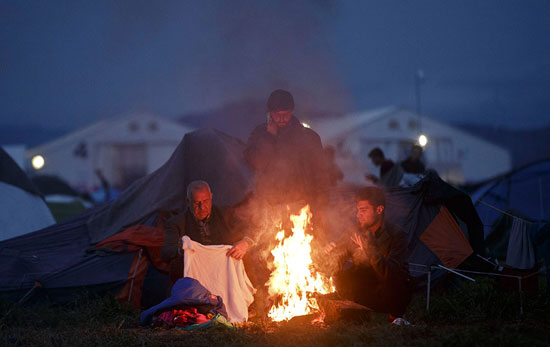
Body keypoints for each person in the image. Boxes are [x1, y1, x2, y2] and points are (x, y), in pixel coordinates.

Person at [325, 186, 412, 322]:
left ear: (379, 210)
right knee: (342, 276)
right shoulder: (355, 230)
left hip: (387, 291)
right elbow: (339, 256)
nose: (358, 215)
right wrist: (331, 253)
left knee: (397, 279)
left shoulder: (397, 235)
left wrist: (369, 250)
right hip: (364, 287)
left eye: (363, 210)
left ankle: (394, 317)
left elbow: (390, 272)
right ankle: (346, 311)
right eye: (358, 210)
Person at [243, 89, 329, 212]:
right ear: (270, 113)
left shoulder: (309, 137)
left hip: (302, 207)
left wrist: (321, 206)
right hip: (270, 208)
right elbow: (256, 163)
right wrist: (269, 137)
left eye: (286, 114)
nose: (282, 118)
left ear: (292, 111)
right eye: (277, 114)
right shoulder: (260, 134)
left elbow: (321, 174)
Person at [161, 180, 253, 284]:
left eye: (205, 201)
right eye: (196, 203)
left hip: (225, 276)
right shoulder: (177, 223)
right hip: (195, 280)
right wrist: (182, 249)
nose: (202, 207)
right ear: (188, 201)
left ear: (211, 196)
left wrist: (246, 242)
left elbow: (251, 229)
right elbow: (166, 253)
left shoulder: (226, 215)